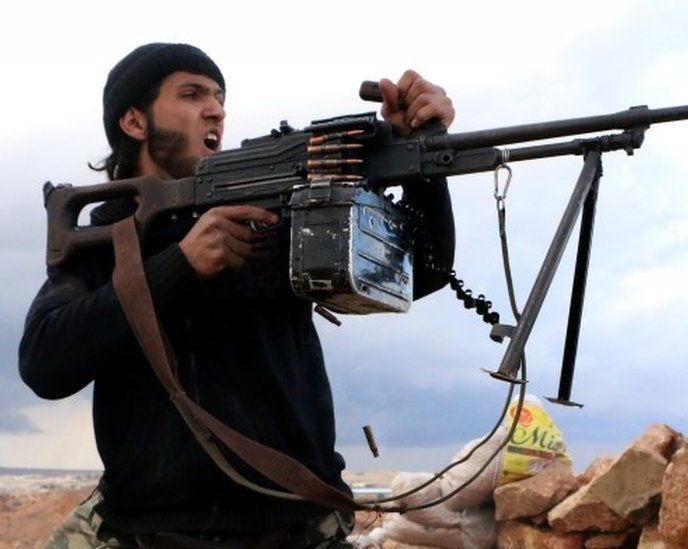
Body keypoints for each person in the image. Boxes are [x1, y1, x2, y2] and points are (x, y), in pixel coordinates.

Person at [19, 43, 456, 548]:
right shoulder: (104, 239)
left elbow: (423, 270)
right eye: (191, 93)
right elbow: (45, 364)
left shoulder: (270, 217)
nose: (216, 109)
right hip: (154, 531)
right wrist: (179, 264)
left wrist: (422, 156)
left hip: (297, 525)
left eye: (220, 98)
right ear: (134, 122)